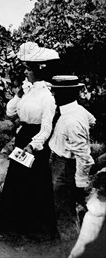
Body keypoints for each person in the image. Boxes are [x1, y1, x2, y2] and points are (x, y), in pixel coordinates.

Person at [0, 42, 60, 241]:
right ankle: (12, 229)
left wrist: (33, 146)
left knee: (33, 185)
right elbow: (10, 111)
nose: (25, 72)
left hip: (34, 144)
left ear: (38, 71)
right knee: (17, 181)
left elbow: (47, 128)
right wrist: (20, 94)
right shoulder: (28, 90)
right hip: (22, 139)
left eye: (28, 69)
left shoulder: (48, 96)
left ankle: (33, 232)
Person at [49, 75, 96, 241]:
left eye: (55, 92)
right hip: (60, 160)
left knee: (64, 207)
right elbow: (92, 121)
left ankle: (70, 244)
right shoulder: (78, 110)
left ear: (66, 94)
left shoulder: (72, 121)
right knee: (62, 204)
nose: (53, 95)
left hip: (65, 165)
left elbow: (84, 156)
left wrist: (80, 183)